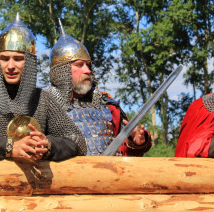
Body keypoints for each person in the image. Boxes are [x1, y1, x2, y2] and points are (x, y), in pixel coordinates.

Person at [0, 13, 86, 161]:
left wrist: (47, 145)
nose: (10, 66)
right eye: (4, 59)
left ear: (30, 62)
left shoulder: (43, 99)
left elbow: (77, 141)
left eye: (18, 59)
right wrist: (8, 147)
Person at [47, 23, 152, 156]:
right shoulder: (44, 104)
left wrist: (136, 141)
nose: (87, 70)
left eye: (88, 65)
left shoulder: (106, 103)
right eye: (79, 65)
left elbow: (125, 151)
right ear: (61, 71)